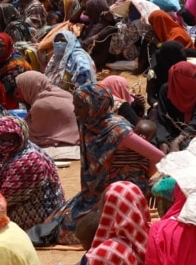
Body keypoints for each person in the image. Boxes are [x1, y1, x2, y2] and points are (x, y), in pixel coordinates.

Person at [47, 84, 163, 245]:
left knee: (72, 233)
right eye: (75, 105)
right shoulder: (88, 124)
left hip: (115, 192)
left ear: (95, 106)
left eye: (79, 106)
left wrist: (140, 180)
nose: (74, 111)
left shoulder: (118, 130)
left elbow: (159, 156)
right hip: (93, 192)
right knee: (52, 223)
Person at [0, 117, 64, 230]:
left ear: (21, 137)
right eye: (0, 139)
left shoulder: (28, 160)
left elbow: (5, 199)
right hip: (22, 205)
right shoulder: (11, 155)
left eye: (11, 139)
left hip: (38, 216)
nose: (4, 144)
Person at [155, 60, 196, 148]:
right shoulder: (166, 90)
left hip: (192, 133)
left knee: (188, 146)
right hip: (169, 131)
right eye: (194, 77)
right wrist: (163, 142)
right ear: (181, 79)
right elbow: (162, 119)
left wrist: (178, 140)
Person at [14, 71, 79, 148]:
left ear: (28, 87)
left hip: (66, 142)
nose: (17, 93)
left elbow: (32, 134)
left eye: (19, 89)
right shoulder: (60, 92)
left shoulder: (40, 105)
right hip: (77, 135)